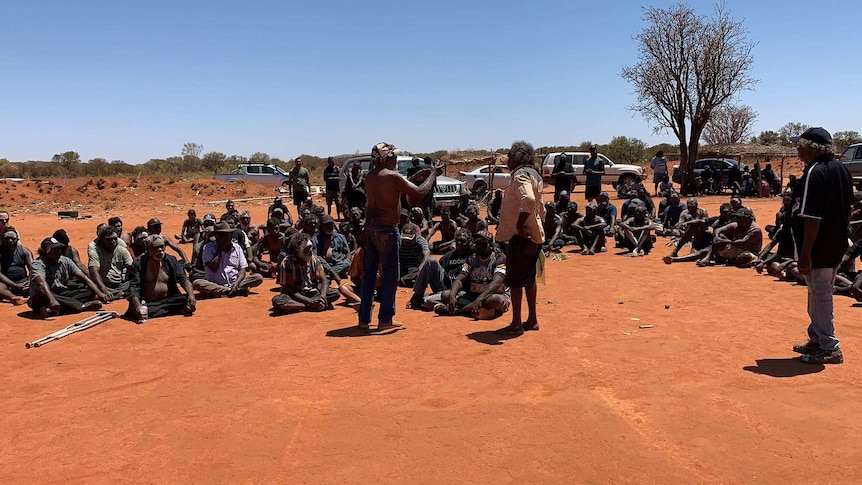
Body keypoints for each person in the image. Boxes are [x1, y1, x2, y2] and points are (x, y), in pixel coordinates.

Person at [357, 142, 438, 331]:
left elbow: (375, 202)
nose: (396, 159)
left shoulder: (370, 177)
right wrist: (433, 174)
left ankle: (363, 319)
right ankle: (385, 318)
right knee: (390, 276)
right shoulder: (392, 176)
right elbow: (418, 191)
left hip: (370, 228)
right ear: (388, 158)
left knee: (369, 276)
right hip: (387, 229)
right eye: (394, 156)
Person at [789, 127, 853, 365]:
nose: (798, 149)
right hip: (834, 241)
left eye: (800, 145)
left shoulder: (814, 172)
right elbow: (848, 208)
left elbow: (812, 218)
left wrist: (805, 253)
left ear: (811, 147)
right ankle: (817, 337)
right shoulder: (841, 169)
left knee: (821, 292)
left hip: (819, 244)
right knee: (816, 290)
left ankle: (829, 346)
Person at [495, 141, 544, 335]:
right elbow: (540, 206)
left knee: (515, 281)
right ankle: (531, 319)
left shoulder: (520, 175)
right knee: (529, 278)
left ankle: (516, 323)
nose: (508, 159)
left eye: (509, 156)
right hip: (535, 235)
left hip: (520, 236)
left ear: (516, 157)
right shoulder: (535, 175)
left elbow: (529, 200)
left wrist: (520, 224)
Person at [435, 230, 510, 319]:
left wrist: (480, 299)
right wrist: (452, 296)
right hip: (473, 294)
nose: (478, 246)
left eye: (482, 243)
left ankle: (457, 311)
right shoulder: (472, 258)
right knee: (446, 295)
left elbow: (496, 283)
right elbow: (459, 279)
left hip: (492, 294)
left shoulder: (500, 258)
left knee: (494, 300)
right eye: (477, 243)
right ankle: (477, 310)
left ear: (490, 245)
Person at [29, 236, 108, 318]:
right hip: (46, 294)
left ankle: (53, 310)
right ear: (47, 250)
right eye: (55, 249)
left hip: (63, 293)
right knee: (45, 296)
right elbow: (41, 283)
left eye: (59, 249)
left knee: (88, 290)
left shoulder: (65, 260)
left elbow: (83, 277)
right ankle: (81, 307)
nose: (59, 252)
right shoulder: (38, 264)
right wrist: (52, 300)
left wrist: (98, 292)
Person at [126, 235, 196, 321]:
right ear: (147, 249)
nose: (159, 250)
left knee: (185, 299)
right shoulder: (138, 264)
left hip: (168, 300)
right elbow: (134, 288)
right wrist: (138, 306)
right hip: (147, 302)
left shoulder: (171, 260)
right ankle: (170, 310)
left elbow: (183, 279)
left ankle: (156, 312)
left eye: (161, 247)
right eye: (155, 247)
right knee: (136, 308)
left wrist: (191, 295)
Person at [407, 228, 474, 311]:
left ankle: (440, 304)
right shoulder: (448, 256)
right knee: (430, 261)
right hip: (444, 287)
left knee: (427, 301)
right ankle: (417, 295)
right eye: (457, 240)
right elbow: (436, 271)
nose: (459, 243)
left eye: (463, 241)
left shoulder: (473, 256)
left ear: (470, 241)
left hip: (462, 290)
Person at [272, 232, 340, 313]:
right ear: (297, 250)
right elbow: (289, 289)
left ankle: (303, 306)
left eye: (311, 248)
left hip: (312, 293)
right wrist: (309, 302)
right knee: (278, 300)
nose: (310, 251)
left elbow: (324, 280)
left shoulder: (314, 259)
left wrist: (322, 297)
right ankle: (309, 306)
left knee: (335, 293)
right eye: (307, 249)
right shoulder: (287, 263)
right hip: (295, 295)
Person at [192, 221, 264, 297]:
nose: (228, 237)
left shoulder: (236, 248)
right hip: (215, 283)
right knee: (197, 283)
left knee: (258, 277)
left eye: (229, 235)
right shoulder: (208, 248)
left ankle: (224, 291)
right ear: (217, 237)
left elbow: (242, 269)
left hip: (234, 282)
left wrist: (236, 283)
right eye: (224, 236)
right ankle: (233, 291)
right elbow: (213, 267)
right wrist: (219, 249)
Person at [87, 225, 133, 300]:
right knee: (92, 288)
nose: (113, 242)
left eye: (115, 239)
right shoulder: (95, 252)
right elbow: (94, 273)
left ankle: (118, 294)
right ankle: (120, 294)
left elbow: (132, 267)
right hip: (103, 285)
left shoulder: (122, 250)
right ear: (102, 240)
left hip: (120, 284)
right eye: (110, 240)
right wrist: (104, 290)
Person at [0, 227, 32, 305]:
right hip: (7, 284)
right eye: (7, 238)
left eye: (12, 238)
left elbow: (33, 269)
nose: (10, 241)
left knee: (40, 282)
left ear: (17, 239)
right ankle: (15, 298)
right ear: (1, 240)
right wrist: (15, 285)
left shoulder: (25, 251)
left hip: (24, 282)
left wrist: (29, 282)